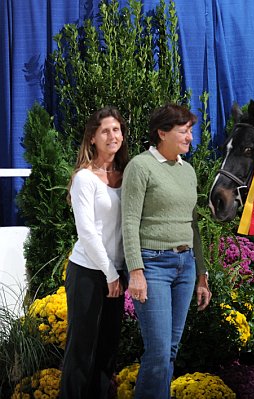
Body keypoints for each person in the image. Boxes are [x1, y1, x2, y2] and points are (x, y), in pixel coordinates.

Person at [121, 104, 212, 398]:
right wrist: (136, 271)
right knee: (159, 352)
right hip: (153, 265)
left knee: (170, 350)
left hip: (185, 267)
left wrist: (201, 274)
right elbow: (129, 222)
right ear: (162, 133)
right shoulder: (140, 166)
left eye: (190, 131)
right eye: (183, 131)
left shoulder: (188, 171)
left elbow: (194, 225)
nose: (189, 138)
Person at [60, 106, 129, 399]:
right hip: (89, 272)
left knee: (107, 353)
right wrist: (110, 274)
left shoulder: (128, 176)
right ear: (92, 138)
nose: (112, 135)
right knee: (81, 351)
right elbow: (87, 233)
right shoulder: (84, 179)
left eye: (116, 130)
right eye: (105, 131)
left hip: (117, 273)